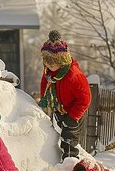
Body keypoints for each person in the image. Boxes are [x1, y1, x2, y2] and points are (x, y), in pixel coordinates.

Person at [39, 30, 91, 161]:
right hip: (61, 108)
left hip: (75, 110)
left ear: (62, 60)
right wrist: (44, 100)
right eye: (47, 60)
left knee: (69, 136)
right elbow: (45, 85)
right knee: (57, 131)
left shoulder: (73, 75)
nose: (50, 64)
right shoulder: (50, 73)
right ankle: (58, 156)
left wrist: (73, 117)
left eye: (53, 61)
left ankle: (70, 161)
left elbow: (85, 98)